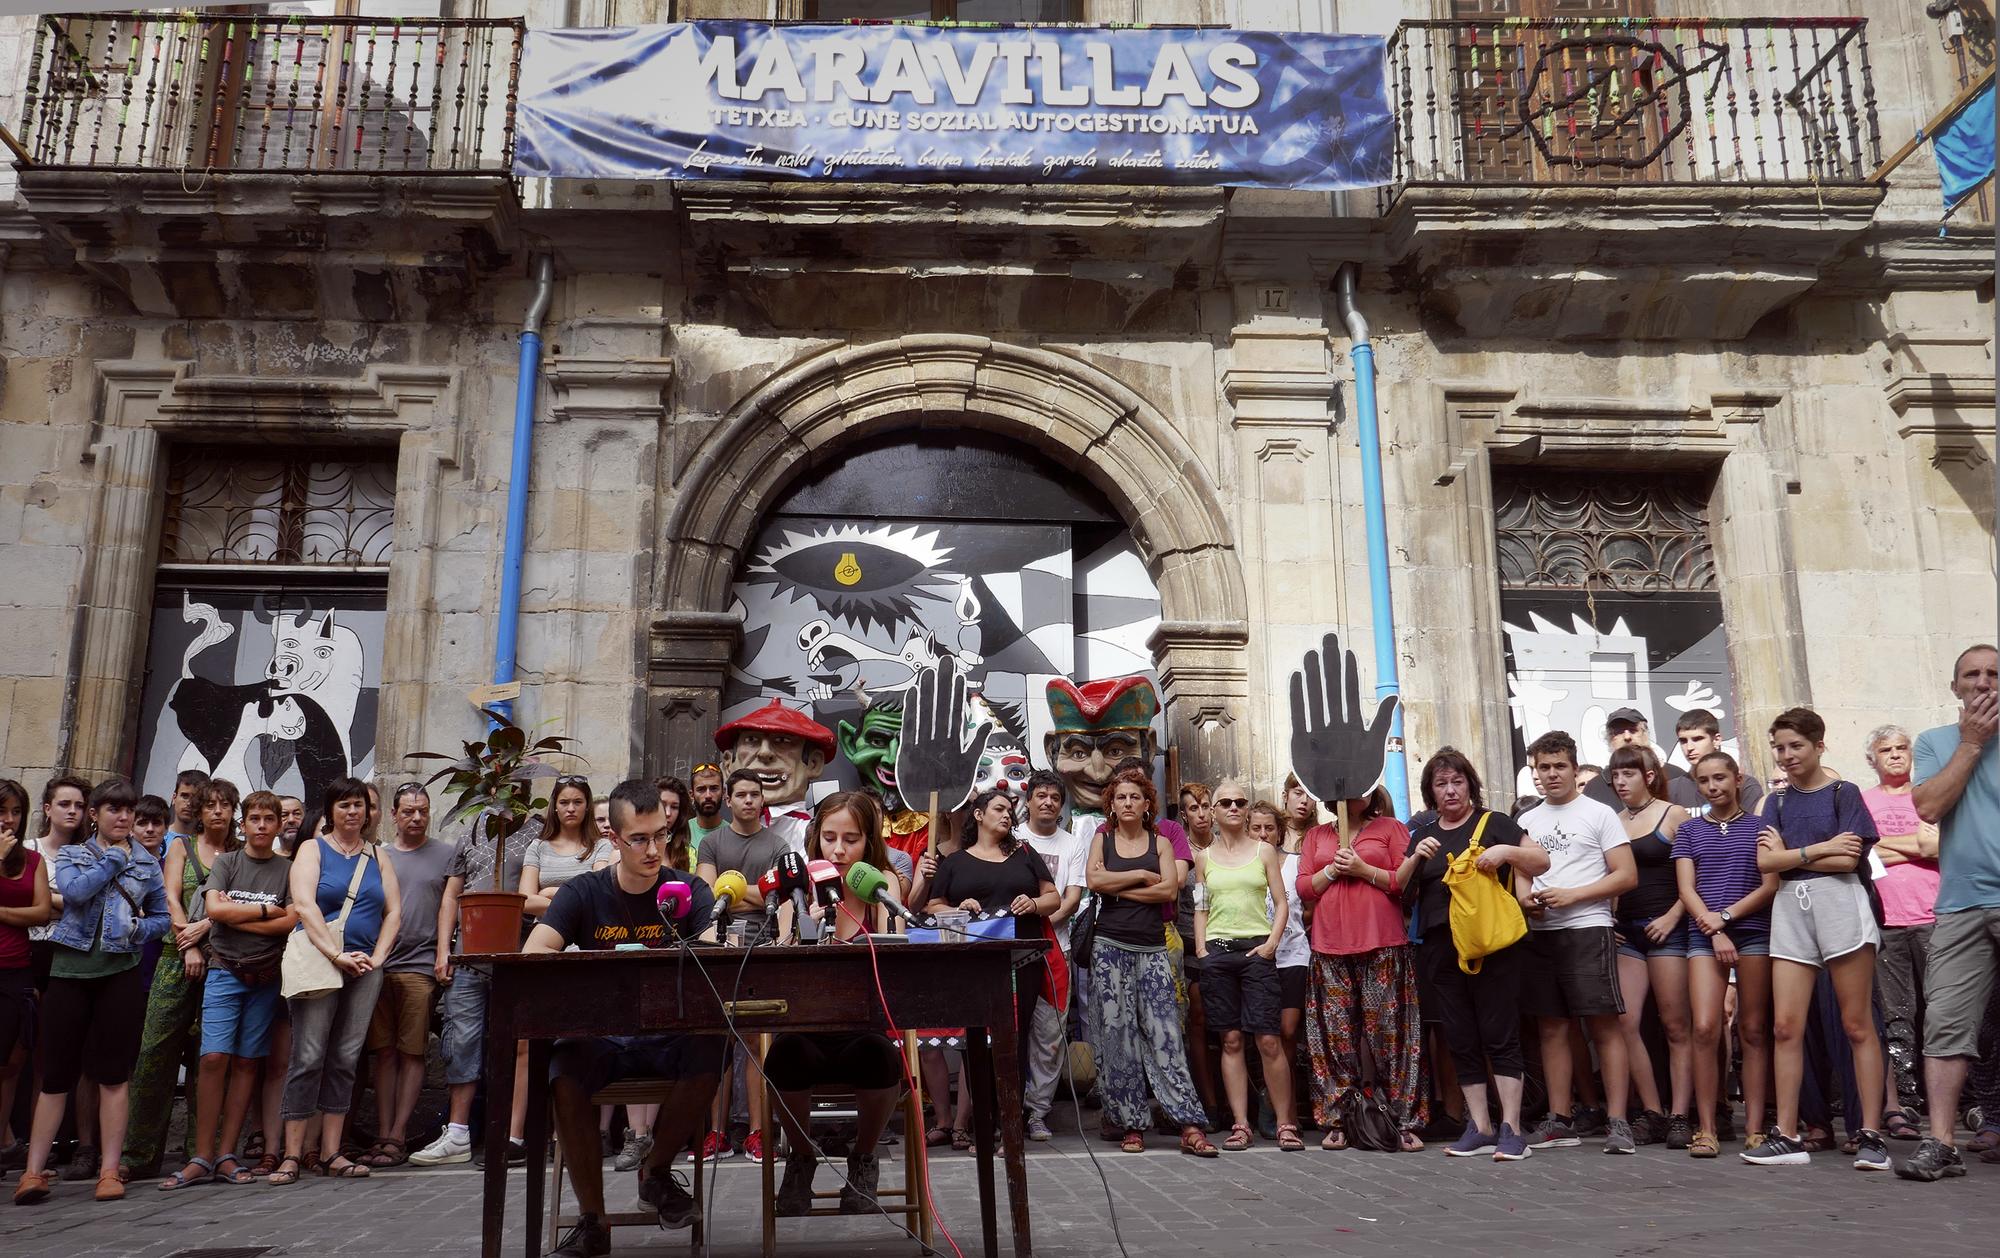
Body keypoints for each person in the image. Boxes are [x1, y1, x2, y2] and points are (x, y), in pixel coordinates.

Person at [533, 779, 720, 1257]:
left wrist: (712, 943)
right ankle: (592, 1222)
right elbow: (534, 953)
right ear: (613, 839)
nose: (654, 849)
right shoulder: (581, 893)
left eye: (660, 834)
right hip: (601, 1038)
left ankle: (656, 1173)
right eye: (639, 839)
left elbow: (716, 952)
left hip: (667, 1036)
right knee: (564, 1068)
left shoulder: (690, 890)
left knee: (711, 1048)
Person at [1742, 707, 1888, 1170]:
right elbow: (1766, 865)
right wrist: (1821, 848)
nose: (1786, 756)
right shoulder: (1775, 802)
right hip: (1791, 909)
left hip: (1840, 905)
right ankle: (1787, 1135)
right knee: (1785, 1026)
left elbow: (1850, 863)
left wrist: (1792, 856)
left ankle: (1871, 1134)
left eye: (1795, 746)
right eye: (1779, 748)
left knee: (1856, 1024)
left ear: (1819, 745)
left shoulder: (1845, 792)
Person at [13, 778, 170, 1205]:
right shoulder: (73, 854)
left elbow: (163, 917)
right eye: (113, 810)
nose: (123, 818)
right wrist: (114, 862)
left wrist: (138, 928)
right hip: (69, 972)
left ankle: (109, 1170)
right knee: (56, 1075)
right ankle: (33, 1173)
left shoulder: (148, 864)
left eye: (128, 811)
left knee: (114, 1074)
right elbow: (77, 894)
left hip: (119, 971)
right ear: (95, 815)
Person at [1405, 749, 1549, 1161]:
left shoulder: (1495, 823)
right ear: (1430, 792)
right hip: (1440, 946)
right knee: (1460, 1036)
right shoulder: (1422, 835)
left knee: (1499, 1031)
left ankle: (1512, 1128)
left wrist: (1505, 853)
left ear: (1470, 784)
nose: (1450, 790)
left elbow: (1540, 859)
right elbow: (1401, 890)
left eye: (1457, 781)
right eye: (1441, 784)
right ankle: (1481, 1125)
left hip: (1492, 946)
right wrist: (1416, 857)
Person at [770, 792, 907, 1217]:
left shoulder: (882, 882)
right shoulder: (797, 886)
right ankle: (801, 1156)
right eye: (829, 837)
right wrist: (807, 922)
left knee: (881, 1057)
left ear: (869, 842)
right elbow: (780, 963)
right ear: (815, 838)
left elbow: (898, 961)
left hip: (863, 1027)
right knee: (783, 1056)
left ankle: (863, 1159)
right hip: (807, 1027)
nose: (839, 849)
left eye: (851, 839)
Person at [159, 791, 297, 1189]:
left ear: (275, 825)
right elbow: (215, 911)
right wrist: (265, 911)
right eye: (253, 818)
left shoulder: (287, 869)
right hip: (224, 971)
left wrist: (243, 918)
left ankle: (227, 1154)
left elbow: (290, 921)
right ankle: (201, 1155)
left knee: (248, 1062)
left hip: (265, 977)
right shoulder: (228, 863)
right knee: (214, 1057)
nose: (260, 825)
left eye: (267, 819)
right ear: (244, 823)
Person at [1899, 644, 2000, 1182]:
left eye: (1993, 674)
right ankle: (1942, 1144)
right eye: (1971, 675)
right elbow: (1931, 807)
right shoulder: (1937, 742)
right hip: (1961, 903)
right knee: (1945, 1024)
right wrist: (1971, 744)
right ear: (1954, 687)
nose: (1983, 683)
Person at [1516, 730, 1641, 1154]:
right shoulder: (1526, 820)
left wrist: (1573, 895)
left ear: (1574, 768)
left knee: (1604, 1025)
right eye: (1543, 768)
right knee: (1552, 1028)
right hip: (1542, 933)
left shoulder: (1599, 813)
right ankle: (1560, 1119)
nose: (1551, 775)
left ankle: (1618, 1121)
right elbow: (1521, 876)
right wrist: (1525, 902)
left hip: (1589, 927)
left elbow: (1626, 875)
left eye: (1559, 766)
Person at [273, 776, 401, 1186]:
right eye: (344, 805)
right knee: (308, 1056)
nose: (353, 812)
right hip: (321, 960)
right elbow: (306, 906)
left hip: (364, 968)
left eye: (359, 805)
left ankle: (331, 1151)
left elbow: (394, 911)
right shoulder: (312, 849)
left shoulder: (378, 856)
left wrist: (378, 958)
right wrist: (335, 954)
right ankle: (291, 1154)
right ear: (330, 811)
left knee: (346, 1058)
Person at [1082, 768, 1217, 1157]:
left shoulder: (1160, 839)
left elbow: (1169, 890)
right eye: (1120, 797)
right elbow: (1094, 881)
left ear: (1146, 805)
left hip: (1154, 947)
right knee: (1118, 1038)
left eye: (1134, 797)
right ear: (1111, 803)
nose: (1127, 803)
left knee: (1166, 1034)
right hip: (1109, 946)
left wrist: (1121, 887)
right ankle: (1131, 1124)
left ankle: (1188, 1123)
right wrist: (1142, 875)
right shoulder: (1102, 838)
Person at [408, 785, 542, 1168]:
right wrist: (443, 950)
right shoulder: (472, 828)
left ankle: (513, 1134)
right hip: (467, 955)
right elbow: (452, 894)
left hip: (517, 954)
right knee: (461, 1039)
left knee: (517, 1045)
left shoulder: (538, 829)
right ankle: (458, 1132)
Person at [925, 788, 1060, 1140]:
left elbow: (1053, 897)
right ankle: (983, 1125)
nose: (1007, 813)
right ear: (979, 815)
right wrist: (958, 907)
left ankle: (1010, 1126)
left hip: (1023, 961)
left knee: (1015, 1039)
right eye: (999, 808)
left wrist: (1033, 904)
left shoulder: (1025, 853)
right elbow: (932, 906)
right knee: (976, 1042)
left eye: (1010, 809)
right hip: (975, 964)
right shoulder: (955, 861)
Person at [1297, 785, 1425, 1152]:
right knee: (1335, 1038)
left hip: (1382, 942)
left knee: (1393, 1036)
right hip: (1330, 945)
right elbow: (1305, 887)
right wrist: (1334, 871)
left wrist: (1362, 868)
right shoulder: (1317, 835)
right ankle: (1338, 1119)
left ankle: (1404, 1119)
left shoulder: (1389, 828)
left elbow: (1404, 882)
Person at [125, 776, 241, 1179]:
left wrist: (207, 926)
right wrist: (188, 943)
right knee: (154, 1052)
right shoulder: (181, 847)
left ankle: (201, 1152)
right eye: (210, 804)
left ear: (233, 810)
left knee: (209, 1058)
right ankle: (138, 1155)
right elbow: (170, 897)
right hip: (178, 959)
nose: (216, 811)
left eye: (225, 805)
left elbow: (240, 904)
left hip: (225, 962)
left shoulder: (242, 854)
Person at [1674, 751, 1778, 1158]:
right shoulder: (1689, 830)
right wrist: (1713, 928)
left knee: (1752, 1029)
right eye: (1704, 780)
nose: (1713, 786)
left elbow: (1770, 884)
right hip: (1703, 936)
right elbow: (1686, 889)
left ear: (1738, 779)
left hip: (1753, 932)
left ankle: (1754, 1127)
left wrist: (1727, 918)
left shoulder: (1761, 826)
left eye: (1720, 777)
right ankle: (1706, 1128)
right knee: (1704, 1027)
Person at [522, 777, 624, 1168]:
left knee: (587, 1036)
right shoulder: (536, 846)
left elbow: (597, 892)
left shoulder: (599, 845)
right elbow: (522, 899)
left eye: (578, 801)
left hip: (585, 946)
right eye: (563, 802)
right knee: (546, 1039)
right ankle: (549, 1131)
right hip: (545, 945)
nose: (570, 809)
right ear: (554, 806)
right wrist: (568, 897)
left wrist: (550, 895)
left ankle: (590, 1129)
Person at [1193, 778, 1294, 1152]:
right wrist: (1202, 950)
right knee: (1230, 1039)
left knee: (1269, 1039)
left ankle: (1284, 1124)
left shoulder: (1264, 851)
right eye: (1226, 803)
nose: (1234, 808)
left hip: (1256, 951)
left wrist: (1271, 944)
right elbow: (1200, 906)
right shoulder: (1204, 858)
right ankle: (1241, 1124)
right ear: (1214, 812)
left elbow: (1282, 902)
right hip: (1218, 954)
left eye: (1240, 802)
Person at [692, 769, 788, 1163]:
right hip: (719, 946)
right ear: (728, 801)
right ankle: (716, 1132)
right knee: (719, 1040)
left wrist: (734, 892)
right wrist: (756, 893)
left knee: (755, 1041)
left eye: (755, 794)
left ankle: (757, 1131)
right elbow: (707, 894)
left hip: (764, 945)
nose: (748, 801)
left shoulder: (778, 845)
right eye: (742, 795)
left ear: (762, 801)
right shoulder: (712, 843)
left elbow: (779, 900)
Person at [358, 783, 455, 1170]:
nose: (416, 818)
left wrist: (445, 955)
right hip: (379, 966)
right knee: (383, 1053)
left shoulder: (447, 855)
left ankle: (398, 1134)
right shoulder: (376, 857)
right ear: (394, 815)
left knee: (412, 1051)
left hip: (420, 966)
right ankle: (383, 1131)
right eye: (409, 811)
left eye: (423, 811)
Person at [1605, 745, 1694, 1149]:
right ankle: (1654, 1111)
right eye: (1616, 776)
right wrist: (1610, 921)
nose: (1621, 782)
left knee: (1676, 1026)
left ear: (1649, 775)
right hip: (1628, 932)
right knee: (1626, 1022)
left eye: (1629, 774)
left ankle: (1680, 1115)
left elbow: (1695, 877)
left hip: (1668, 929)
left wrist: (1674, 916)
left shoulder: (1672, 815)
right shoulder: (1612, 821)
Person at [1858, 724, 1938, 1135]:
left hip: (1933, 914)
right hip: (1886, 919)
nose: (1894, 755)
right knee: (1896, 1015)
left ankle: (1965, 1102)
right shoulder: (1863, 800)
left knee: (1942, 1010)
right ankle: (1905, 1103)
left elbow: (1936, 845)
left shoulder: (1928, 793)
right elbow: (1863, 849)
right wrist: (1914, 843)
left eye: (1901, 747)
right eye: (1885, 750)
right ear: (1872, 759)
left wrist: (1887, 845)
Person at [1014, 771, 1086, 1143]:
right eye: (1040, 795)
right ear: (1027, 801)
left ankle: (1038, 1112)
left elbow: (1071, 897)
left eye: (1054, 798)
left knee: (1049, 1034)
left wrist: (1041, 925)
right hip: (1011, 950)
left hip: (1057, 948)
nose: (1047, 802)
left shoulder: (1072, 844)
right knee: (1012, 1031)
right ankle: (1008, 1109)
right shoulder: (1013, 839)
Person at [24, 775, 90, 1180]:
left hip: (72, 956)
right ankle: (34, 1145)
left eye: (79, 805)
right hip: (29, 953)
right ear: (47, 808)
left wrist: (47, 902)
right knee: (33, 1055)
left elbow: (86, 905)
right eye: (64, 803)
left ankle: (76, 1143)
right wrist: (61, 903)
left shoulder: (87, 855)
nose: (72, 811)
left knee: (71, 1054)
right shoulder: (28, 851)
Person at [0, 780, 52, 1174]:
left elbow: (39, 913)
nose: (10, 820)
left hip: (17, 968)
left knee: (11, 1063)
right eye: (3, 812)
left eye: (17, 812)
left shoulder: (32, 861)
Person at [1175, 782, 1222, 1128]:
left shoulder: (1225, 848)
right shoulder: (1182, 853)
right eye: (1194, 808)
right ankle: (1208, 1102)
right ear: (1184, 814)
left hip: (1226, 943)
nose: (1202, 813)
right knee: (1199, 1019)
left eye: (1206, 805)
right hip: (1191, 948)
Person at [1586, 709, 1691, 809]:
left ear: (1645, 734)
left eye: (1633, 730)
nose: (1627, 737)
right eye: (1619, 732)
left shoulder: (1675, 776)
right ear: (1609, 739)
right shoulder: (1595, 788)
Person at [1671, 709, 1763, 816]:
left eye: (1697, 739)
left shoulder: (1744, 785)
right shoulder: (1672, 789)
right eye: (1683, 741)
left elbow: (1752, 828)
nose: (1689, 747)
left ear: (1716, 740)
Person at [686, 765, 725, 854]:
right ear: (692, 795)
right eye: (701, 789)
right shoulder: (681, 833)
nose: (708, 795)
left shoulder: (733, 835)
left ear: (723, 793)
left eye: (714, 788)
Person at [166, 769, 208, 844]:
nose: (189, 803)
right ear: (174, 798)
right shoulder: (157, 839)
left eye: (196, 798)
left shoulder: (209, 845)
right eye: (185, 796)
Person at [131, 797, 168, 861]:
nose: (150, 829)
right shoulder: (118, 865)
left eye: (156, 823)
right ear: (131, 829)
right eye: (142, 823)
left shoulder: (173, 869)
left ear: (166, 828)